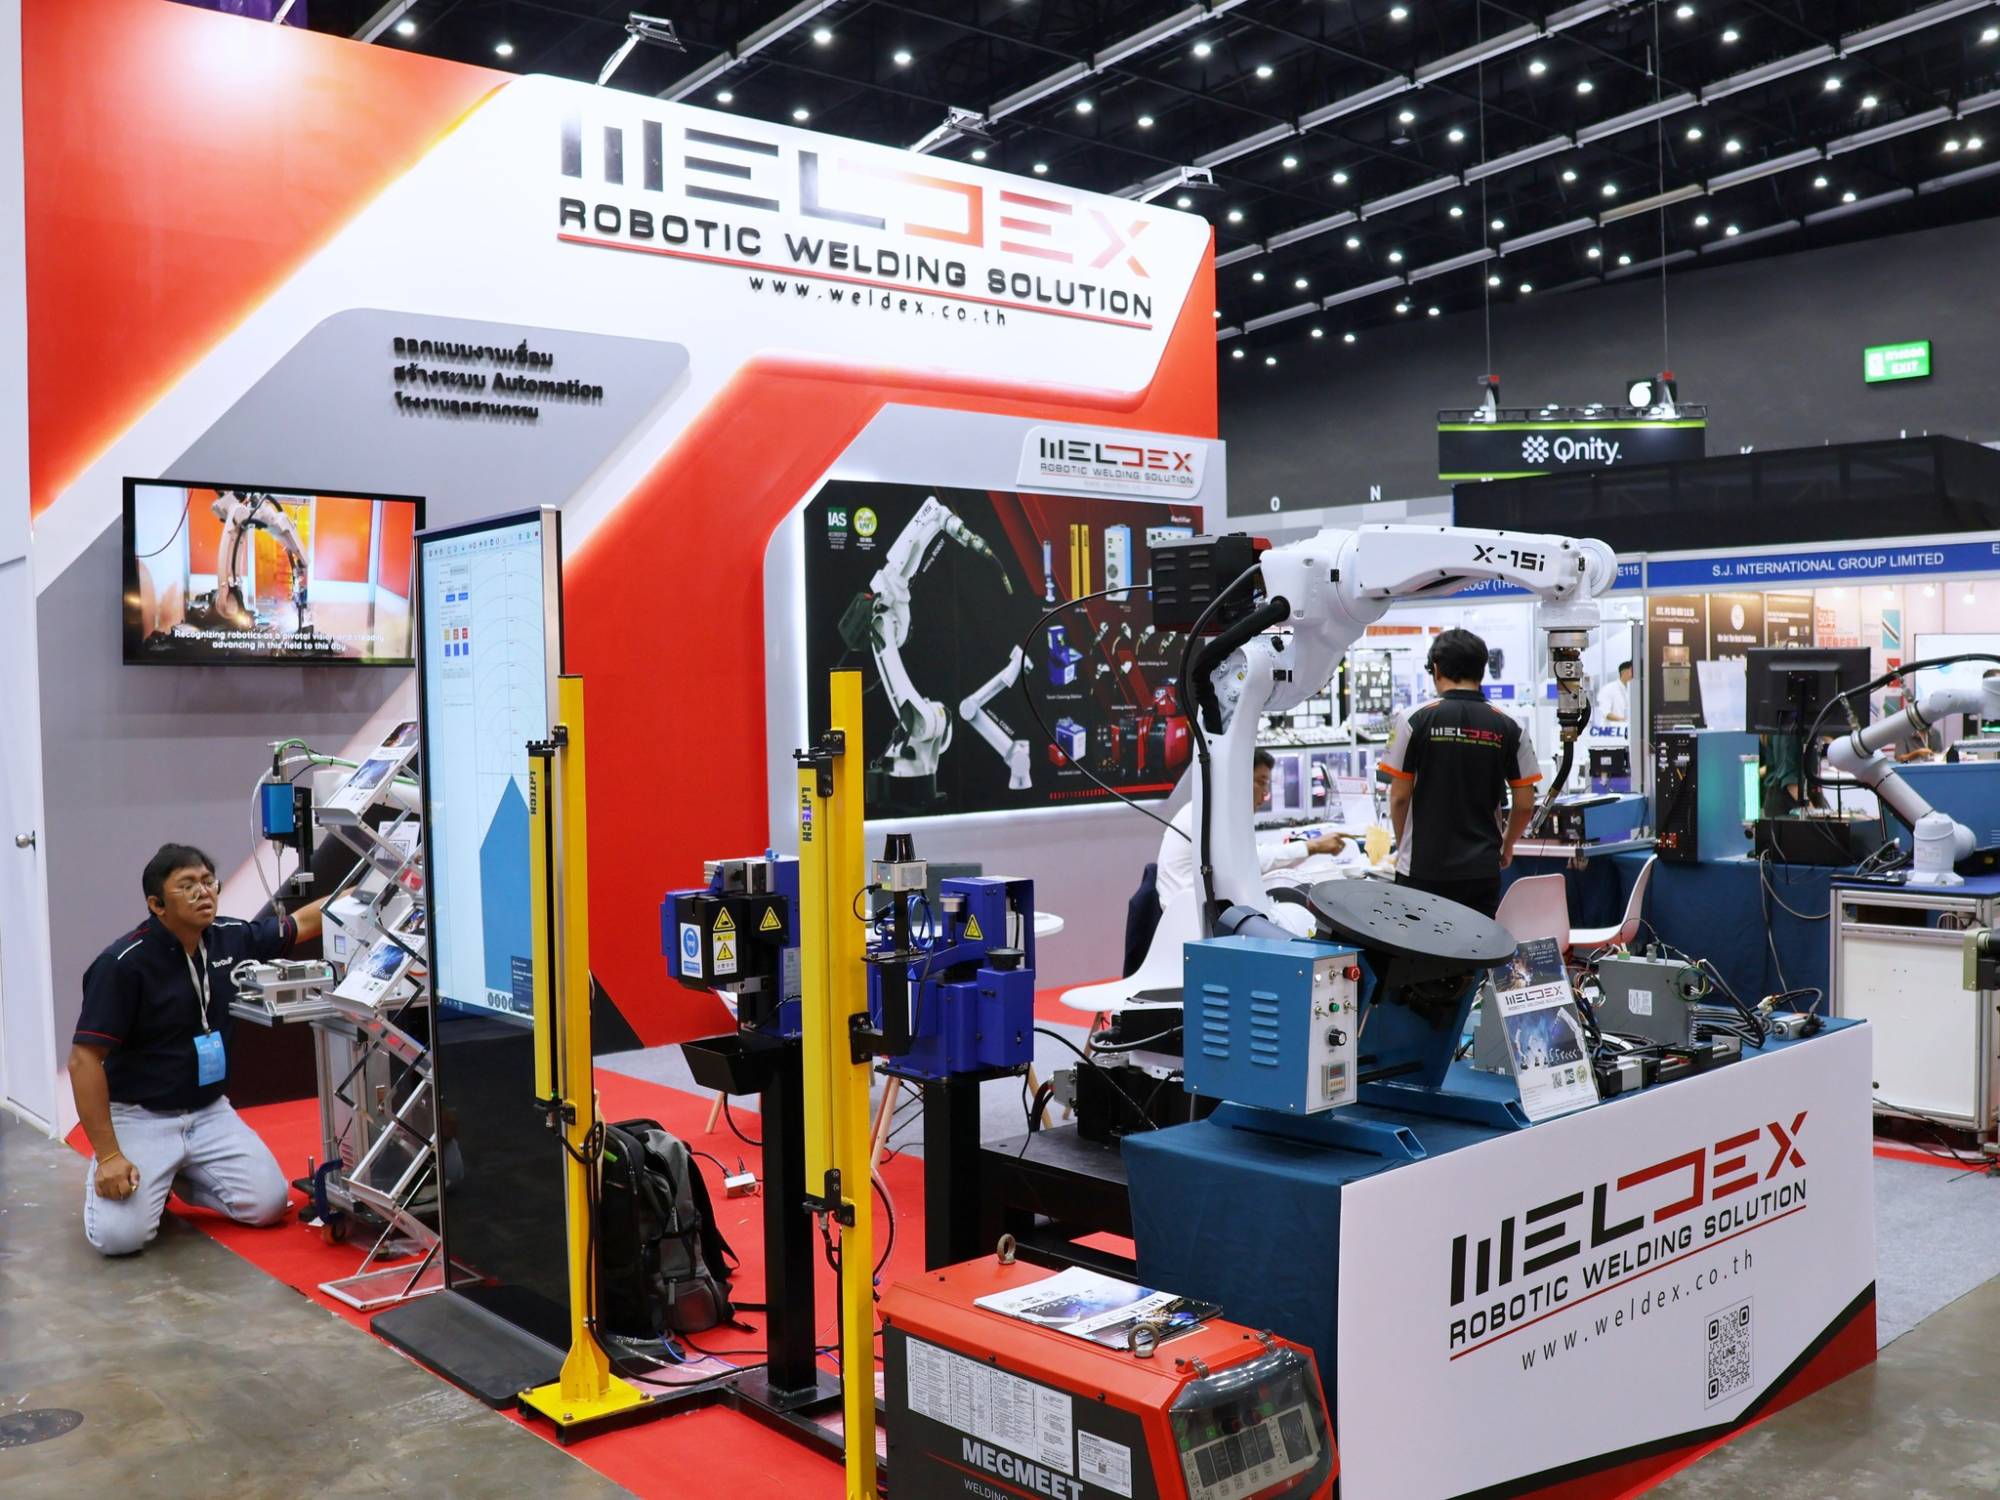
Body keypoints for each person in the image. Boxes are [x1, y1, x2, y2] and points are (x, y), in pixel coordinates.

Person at [69, 843, 325, 1256]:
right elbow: (84, 1061)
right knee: (118, 1240)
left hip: (209, 1112)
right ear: (156, 905)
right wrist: (110, 1155)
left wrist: (374, 893)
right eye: (187, 885)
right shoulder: (122, 965)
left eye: (208, 881)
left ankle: (175, 1174)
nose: (203, 892)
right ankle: (148, 1172)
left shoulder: (230, 937)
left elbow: (303, 922)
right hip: (140, 1115)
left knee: (268, 1205)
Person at [1380, 628, 1540, 918]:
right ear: (1483, 670)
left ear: (1436, 669)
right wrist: (1507, 844)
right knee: (1476, 943)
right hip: (1481, 869)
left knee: (1419, 944)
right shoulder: (1510, 725)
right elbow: (1525, 804)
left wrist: (1405, 847)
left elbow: (1399, 798)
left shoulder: (1412, 720)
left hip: (1421, 869)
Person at [1153, 749, 1349, 909]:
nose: (1266, 793)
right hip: (1190, 919)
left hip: (1196, 908)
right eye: (1261, 782)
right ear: (1237, 779)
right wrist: (1313, 846)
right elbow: (1252, 861)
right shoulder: (1211, 815)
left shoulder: (1211, 809)